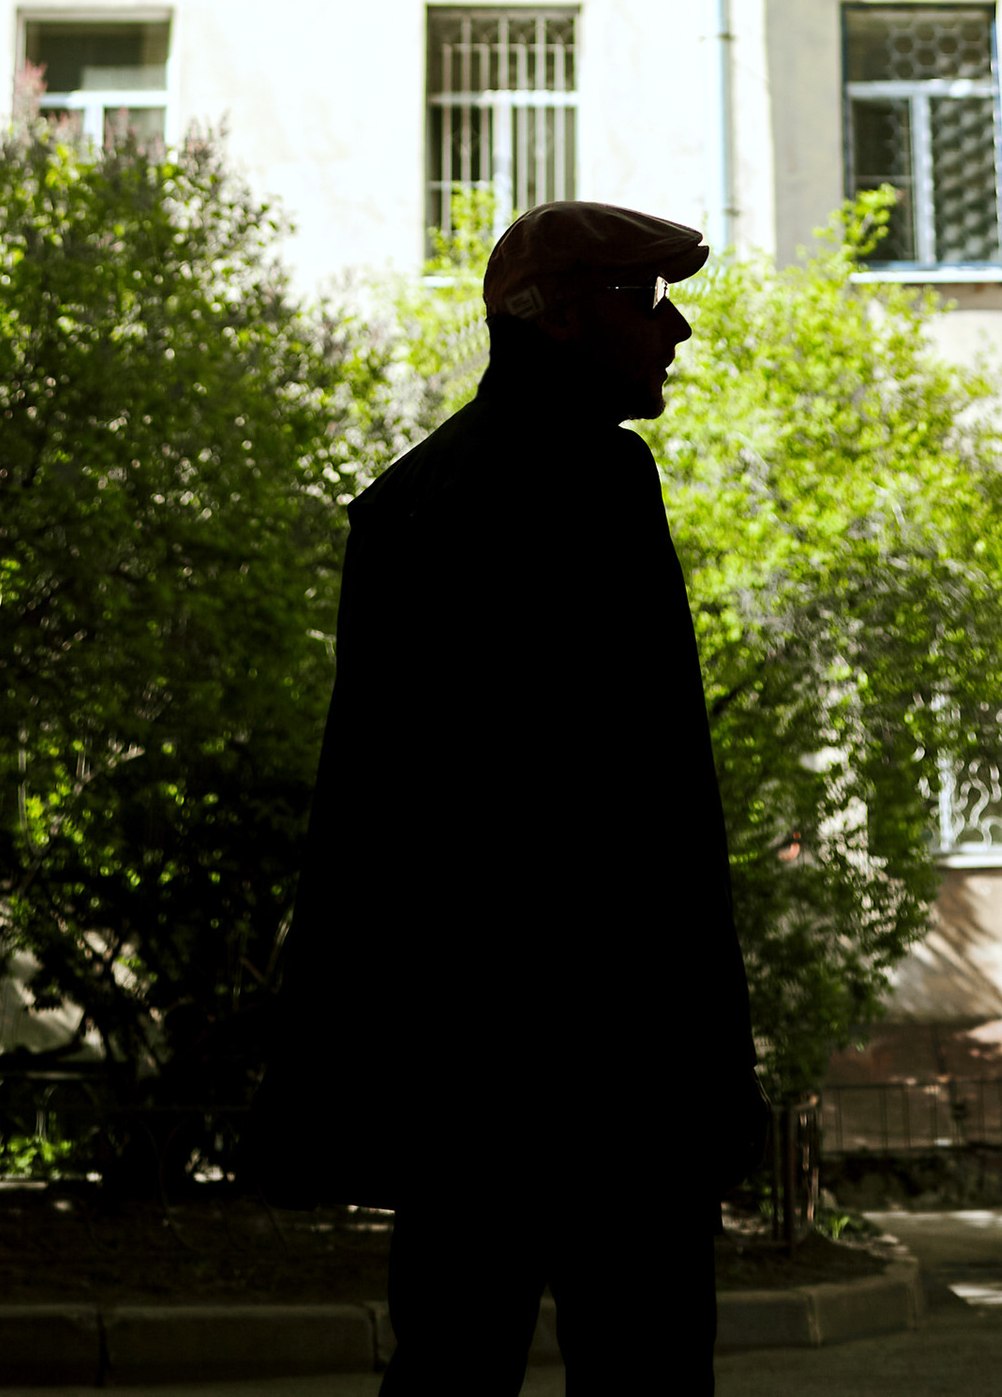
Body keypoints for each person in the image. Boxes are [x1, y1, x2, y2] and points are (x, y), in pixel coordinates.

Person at [250, 199, 764, 1394]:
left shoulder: (406, 505)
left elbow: (362, 815)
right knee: (640, 1366)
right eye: (645, 301)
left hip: (461, 1072)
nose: (675, 329)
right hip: (615, 1069)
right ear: (565, 320)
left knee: (450, 1360)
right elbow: (654, 810)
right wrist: (706, 1068)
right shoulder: (598, 485)